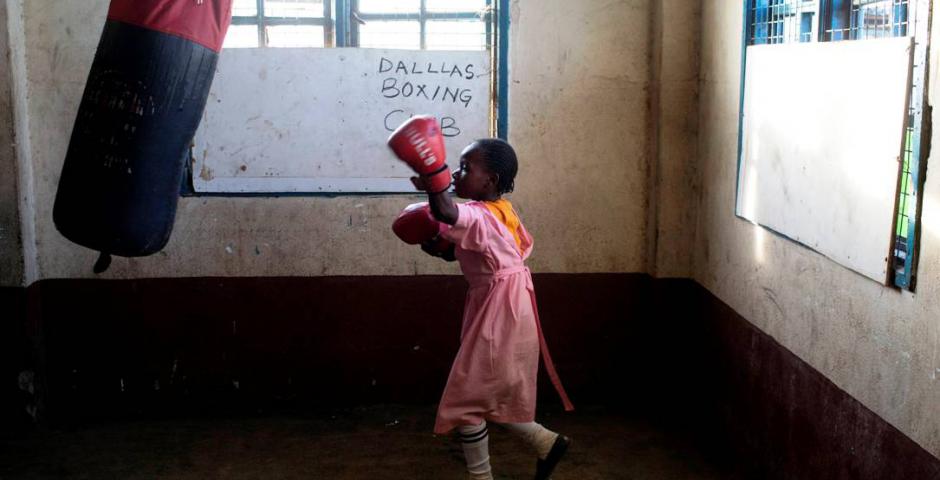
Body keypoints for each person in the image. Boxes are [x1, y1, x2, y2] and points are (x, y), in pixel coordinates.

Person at [388, 118, 574, 480]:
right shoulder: (503, 211)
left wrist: (433, 173)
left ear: (489, 181)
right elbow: (490, 251)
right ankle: (547, 443)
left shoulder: (475, 214)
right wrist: (441, 249)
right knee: (488, 393)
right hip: (510, 306)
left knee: (467, 399)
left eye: (464, 168)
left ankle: (481, 476)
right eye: (455, 166)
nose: (457, 174)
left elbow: (445, 211)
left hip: (499, 312)